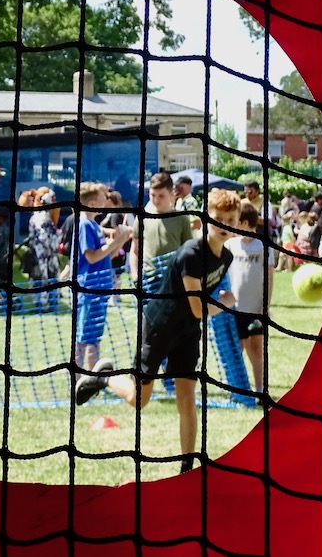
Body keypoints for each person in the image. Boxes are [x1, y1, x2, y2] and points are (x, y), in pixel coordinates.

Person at [75, 188, 241, 474]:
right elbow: (199, 308)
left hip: (187, 333)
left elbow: (200, 307)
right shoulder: (192, 253)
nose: (224, 224)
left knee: (187, 399)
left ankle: (187, 466)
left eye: (230, 219)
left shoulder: (226, 257)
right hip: (158, 327)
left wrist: (221, 300)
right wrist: (225, 302)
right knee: (139, 400)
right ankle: (106, 376)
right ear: (206, 219)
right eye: (219, 218)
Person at [67, 182, 133, 374]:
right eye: (104, 198)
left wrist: (120, 241)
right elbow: (92, 257)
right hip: (89, 289)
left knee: (94, 338)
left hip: (100, 288)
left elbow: (105, 256)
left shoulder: (94, 225)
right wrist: (117, 241)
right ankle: (79, 378)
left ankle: (91, 377)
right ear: (93, 204)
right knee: (83, 339)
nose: (107, 201)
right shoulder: (84, 225)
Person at [225, 202, 274, 398]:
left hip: (255, 309)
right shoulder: (230, 244)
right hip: (234, 308)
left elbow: (269, 277)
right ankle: (236, 390)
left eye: (236, 221)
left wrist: (265, 307)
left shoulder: (263, 246)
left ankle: (260, 390)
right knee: (236, 350)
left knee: (256, 350)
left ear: (245, 222)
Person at [127, 171, 194, 288]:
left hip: (174, 278)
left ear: (171, 194)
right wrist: (135, 276)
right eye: (153, 195)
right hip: (149, 279)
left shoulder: (182, 219)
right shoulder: (142, 218)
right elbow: (134, 250)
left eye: (161, 196)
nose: (156, 200)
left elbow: (188, 253)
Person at [25, 189, 61, 309]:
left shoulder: (36, 217)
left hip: (39, 254)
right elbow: (46, 237)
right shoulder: (44, 218)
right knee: (45, 276)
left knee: (41, 277)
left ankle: (41, 302)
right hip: (43, 254)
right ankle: (46, 302)